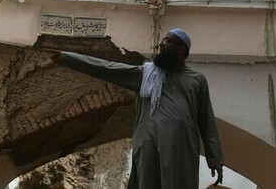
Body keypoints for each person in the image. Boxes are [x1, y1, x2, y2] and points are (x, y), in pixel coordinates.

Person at [49, 28, 224, 188]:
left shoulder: (197, 80)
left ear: (181, 48)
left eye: (167, 41)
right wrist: (67, 58)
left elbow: (206, 120)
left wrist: (215, 158)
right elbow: (107, 68)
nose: (160, 44)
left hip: (181, 149)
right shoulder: (145, 74)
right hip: (148, 146)